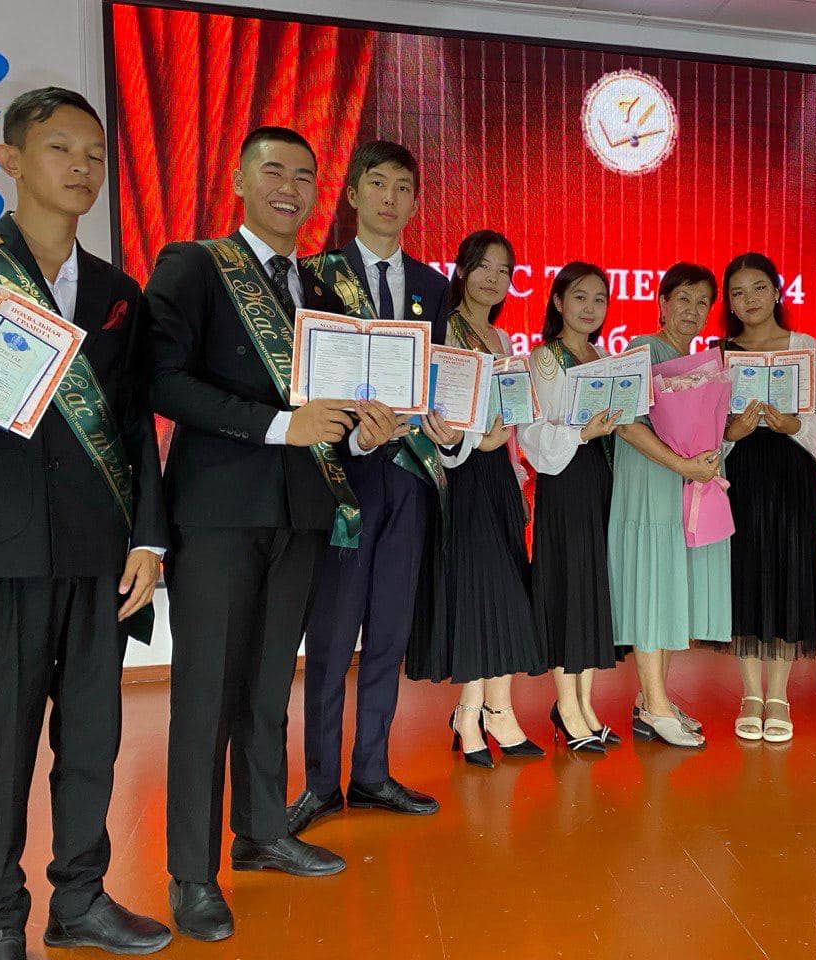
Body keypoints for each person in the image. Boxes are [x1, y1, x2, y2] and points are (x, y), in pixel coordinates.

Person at [146, 126, 356, 942]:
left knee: (269, 688)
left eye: (304, 175)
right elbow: (164, 381)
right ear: (238, 178)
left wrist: (365, 425)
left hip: (301, 512)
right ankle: (192, 875)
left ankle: (263, 832)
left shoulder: (323, 288)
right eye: (273, 171)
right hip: (218, 513)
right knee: (205, 697)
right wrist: (278, 426)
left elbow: (336, 404)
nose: (289, 187)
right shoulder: (195, 265)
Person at [0, 86, 171, 960]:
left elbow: (132, 425)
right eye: (60, 148)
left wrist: (148, 539)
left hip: (100, 550)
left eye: (94, 153)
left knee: (93, 736)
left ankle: (81, 900)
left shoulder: (117, 290)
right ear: (10, 159)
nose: (82, 167)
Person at [286, 140, 460, 835]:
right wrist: (351, 437)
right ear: (353, 194)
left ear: (415, 203)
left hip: (408, 481)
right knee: (332, 640)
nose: (391, 197)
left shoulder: (433, 287)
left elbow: (438, 379)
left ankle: (372, 772)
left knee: (388, 635)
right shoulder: (314, 277)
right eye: (378, 183)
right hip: (339, 482)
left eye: (403, 187)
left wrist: (447, 426)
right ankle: (320, 783)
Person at [608, 263, 728, 748]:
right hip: (648, 488)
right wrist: (682, 465)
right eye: (683, 299)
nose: (692, 311)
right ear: (661, 303)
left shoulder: (700, 362)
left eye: (702, 303)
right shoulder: (642, 349)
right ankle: (656, 707)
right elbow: (624, 423)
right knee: (650, 590)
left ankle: (651, 700)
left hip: (684, 487)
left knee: (669, 591)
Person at [440, 230, 547, 768]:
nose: (493, 278)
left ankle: (482, 711)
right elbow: (433, 412)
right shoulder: (444, 331)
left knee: (506, 596)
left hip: (500, 477)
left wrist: (518, 474)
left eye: (504, 271)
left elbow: (509, 417)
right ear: (461, 270)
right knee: (485, 597)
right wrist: (471, 440)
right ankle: (480, 713)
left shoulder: (502, 341)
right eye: (483, 266)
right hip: (462, 476)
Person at [717, 253, 816, 743]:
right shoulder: (720, 354)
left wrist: (794, 424)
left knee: (788, 572)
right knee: (744, 575)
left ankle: (779, 694)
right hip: (740, 475)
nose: (750, 300)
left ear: (778, 292)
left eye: (759, 288)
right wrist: (731, 432)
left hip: (792, 474)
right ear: (729, 303)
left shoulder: (805, 348)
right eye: (738, 292)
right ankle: (749, 693)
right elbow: (707, 430)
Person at [520, 262, 623, 753]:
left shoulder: (603, 357)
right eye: (580, 297)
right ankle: (565, 704)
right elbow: (533, 431)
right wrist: (583, 432)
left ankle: (585, 704)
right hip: (565, 481)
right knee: (567, 587)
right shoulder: (544, 357)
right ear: (558, 302)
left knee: (591, 590)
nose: (590, 308)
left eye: (599, 299)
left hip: (600, 478)